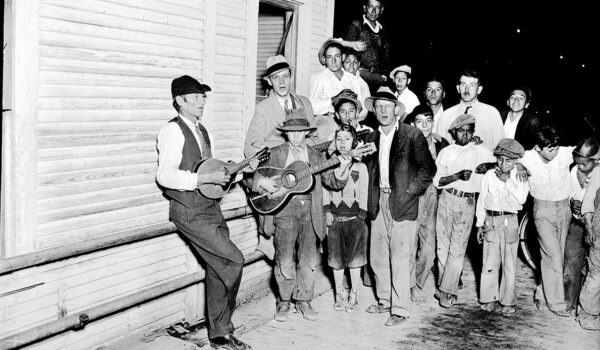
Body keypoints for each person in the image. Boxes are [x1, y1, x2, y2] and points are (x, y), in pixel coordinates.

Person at [156, 75, 255, 350]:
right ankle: (223, 328)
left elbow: (211, 173)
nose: (202, 101)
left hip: (209, 207)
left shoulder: (203, 130)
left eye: (203, 97)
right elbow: (165, 176)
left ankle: (220, 335)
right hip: (188, 210)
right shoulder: (172, 131)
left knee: (217, 266)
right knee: (234, 260)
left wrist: (233, 173)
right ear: (180, 100)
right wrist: (202, 180)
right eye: (196, 96)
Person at [248, 113, 351, 322]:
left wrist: (343, 168)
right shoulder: (275, 153)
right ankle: (284, 300)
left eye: (300, 132)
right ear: (286, 134)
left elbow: (332, 182)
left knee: (309, 259)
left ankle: (304, 299)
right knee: (284, 258)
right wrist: (264, 183)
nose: (296, 137)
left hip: (310, 210)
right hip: (283, 209)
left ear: (306, 132)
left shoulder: (315, 155)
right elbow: (250, 176)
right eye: (291, 133)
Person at [362, 86, 436, 326]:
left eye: (388, 106)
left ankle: (400, 309)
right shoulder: (370, 138)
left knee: (400, 257)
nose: (383, 110)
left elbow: (428, 170)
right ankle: (384, 300)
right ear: (374, 110)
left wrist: (409, 193)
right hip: (378, 202)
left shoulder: (411, 134)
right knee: (378, 255)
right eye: (379, 106)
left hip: (402, 203)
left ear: (396, 110)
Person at [433, 114, 496, 308]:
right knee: (442, 247)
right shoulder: (446, 152)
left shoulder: (480, 150)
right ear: (454, 132)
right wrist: (456, 176)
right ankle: (446, 283)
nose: (465, 135)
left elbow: (499, 163)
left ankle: (447, 291)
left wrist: (488, 166)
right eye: (461, 131)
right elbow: (437, 181)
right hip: (446, 199)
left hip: (467, 202)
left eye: (469, 131)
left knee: (457, 249)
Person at [518, 126, 575, 317]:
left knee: (556, 253)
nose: (555, 151)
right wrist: (518, 165)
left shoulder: (565, 153)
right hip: (542, 209)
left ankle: (542, 292)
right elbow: (502, 155)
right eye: (550, 148)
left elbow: (590, 150)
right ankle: (557, 303)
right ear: (537, 147)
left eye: (556, 147)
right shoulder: (527, 156)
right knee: (553, 255)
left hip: (564, 208)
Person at [476, 138, 529, 314]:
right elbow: (482, 200)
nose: (503, 163)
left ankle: (508, 301)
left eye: (508, 160)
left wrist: (508, 181)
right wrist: (479, 224)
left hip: (510, 221)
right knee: (489, 262)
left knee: (509, 263)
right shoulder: (489, 175)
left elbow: (521, 199)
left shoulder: (520, 176)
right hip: (491, 221)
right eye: (500, 159)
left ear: (516, 161)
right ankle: (488, 297)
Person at [403, 105, 450, 303]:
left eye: (428, 121)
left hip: (431, 198)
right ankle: (410, 286)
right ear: (413, 123)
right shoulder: (405, 142)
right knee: (409, 245)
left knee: (429, 248)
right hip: (411, 197)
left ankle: (419, 282)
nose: (424, 125)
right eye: (420, 121)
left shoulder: (441, 144)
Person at [323, 124, 369, 313]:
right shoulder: (330, 165)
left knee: (355, 259)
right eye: (339, 139)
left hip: (355, 219)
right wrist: (326, 211)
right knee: (336, 260)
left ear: (355, 142)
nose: (343, 143)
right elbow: (326, 190)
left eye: (347, 139)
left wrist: (362, 215)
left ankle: (354, 292)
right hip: (335, 219)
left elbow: (365, 192)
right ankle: (339, 294)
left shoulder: (360, 167)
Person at [244, 55, 319, 157]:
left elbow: (315, 138)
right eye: (276, 78)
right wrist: (277, 154)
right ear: (270, 81)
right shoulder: (263, 109)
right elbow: (250, 147)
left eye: (285, 76)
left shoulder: (305, 103)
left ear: (290, 78)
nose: (282, 82)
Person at [564, 139, 600, 315]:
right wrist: (573, 201)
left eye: (584, 164)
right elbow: (571, 193)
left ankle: (586, 307)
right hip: (578, 224)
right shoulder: (574, 171)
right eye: (577, 163)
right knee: (571, 263)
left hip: (596, 227)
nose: (580, 167)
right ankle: (567, 302)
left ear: (596, 160)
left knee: (593, 270)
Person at [309, 39, 367, 141]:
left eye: (337, 56)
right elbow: (312, 108)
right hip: (327, 126)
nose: (334, 61)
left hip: (350, 125)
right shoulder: (319, 78)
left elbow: (361, 103)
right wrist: (334, 99)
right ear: (325, 60)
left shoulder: (352, 78)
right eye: (329, 57)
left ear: (343, 57)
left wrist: (353, 117)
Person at [435, 70, 504, 151]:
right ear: (458, 88)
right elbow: (440, 149)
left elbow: (500, 146)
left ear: (479, 89)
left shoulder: (492, 113)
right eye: (463, 84)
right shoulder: (446, 115)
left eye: (472, 85)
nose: (466, 89)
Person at [343, 0, 390, 94]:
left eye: (377, 7)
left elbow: (385, 55)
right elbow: (346, 50)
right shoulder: (357, 25)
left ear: (381, 10)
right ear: (365, 8)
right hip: (360, 74)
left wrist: (384, 74)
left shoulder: (383, 30)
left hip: (376, 77)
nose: (373, 11)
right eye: (370, 7)